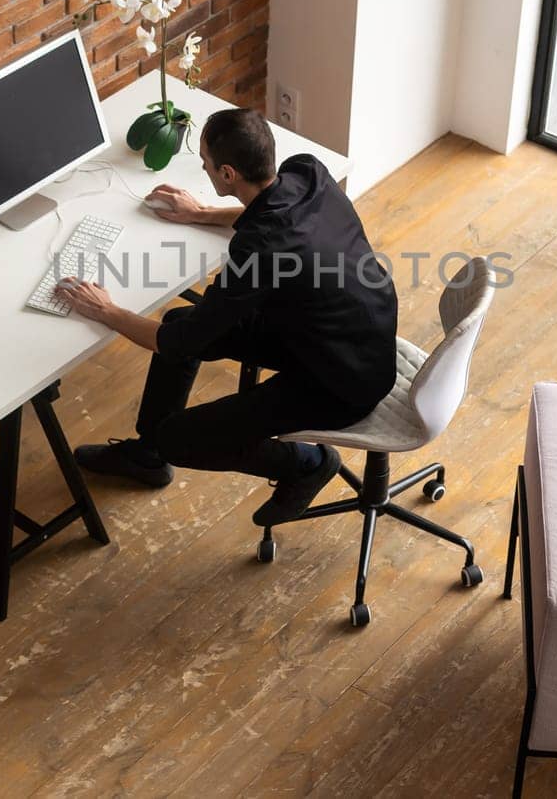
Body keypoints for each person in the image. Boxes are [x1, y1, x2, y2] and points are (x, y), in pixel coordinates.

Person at [54, 107, 398, 526]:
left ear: (229, 174)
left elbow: (173, 344)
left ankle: (306, 463)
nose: (203, 169)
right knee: (185, 320)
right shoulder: (307, 174)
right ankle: (147, 456)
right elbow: (271, 217)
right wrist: (200, 213)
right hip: (345, 329)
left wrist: (106, 310)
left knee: (178, 428)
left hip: (341, 380)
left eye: (206, 164)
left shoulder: (258, 250)